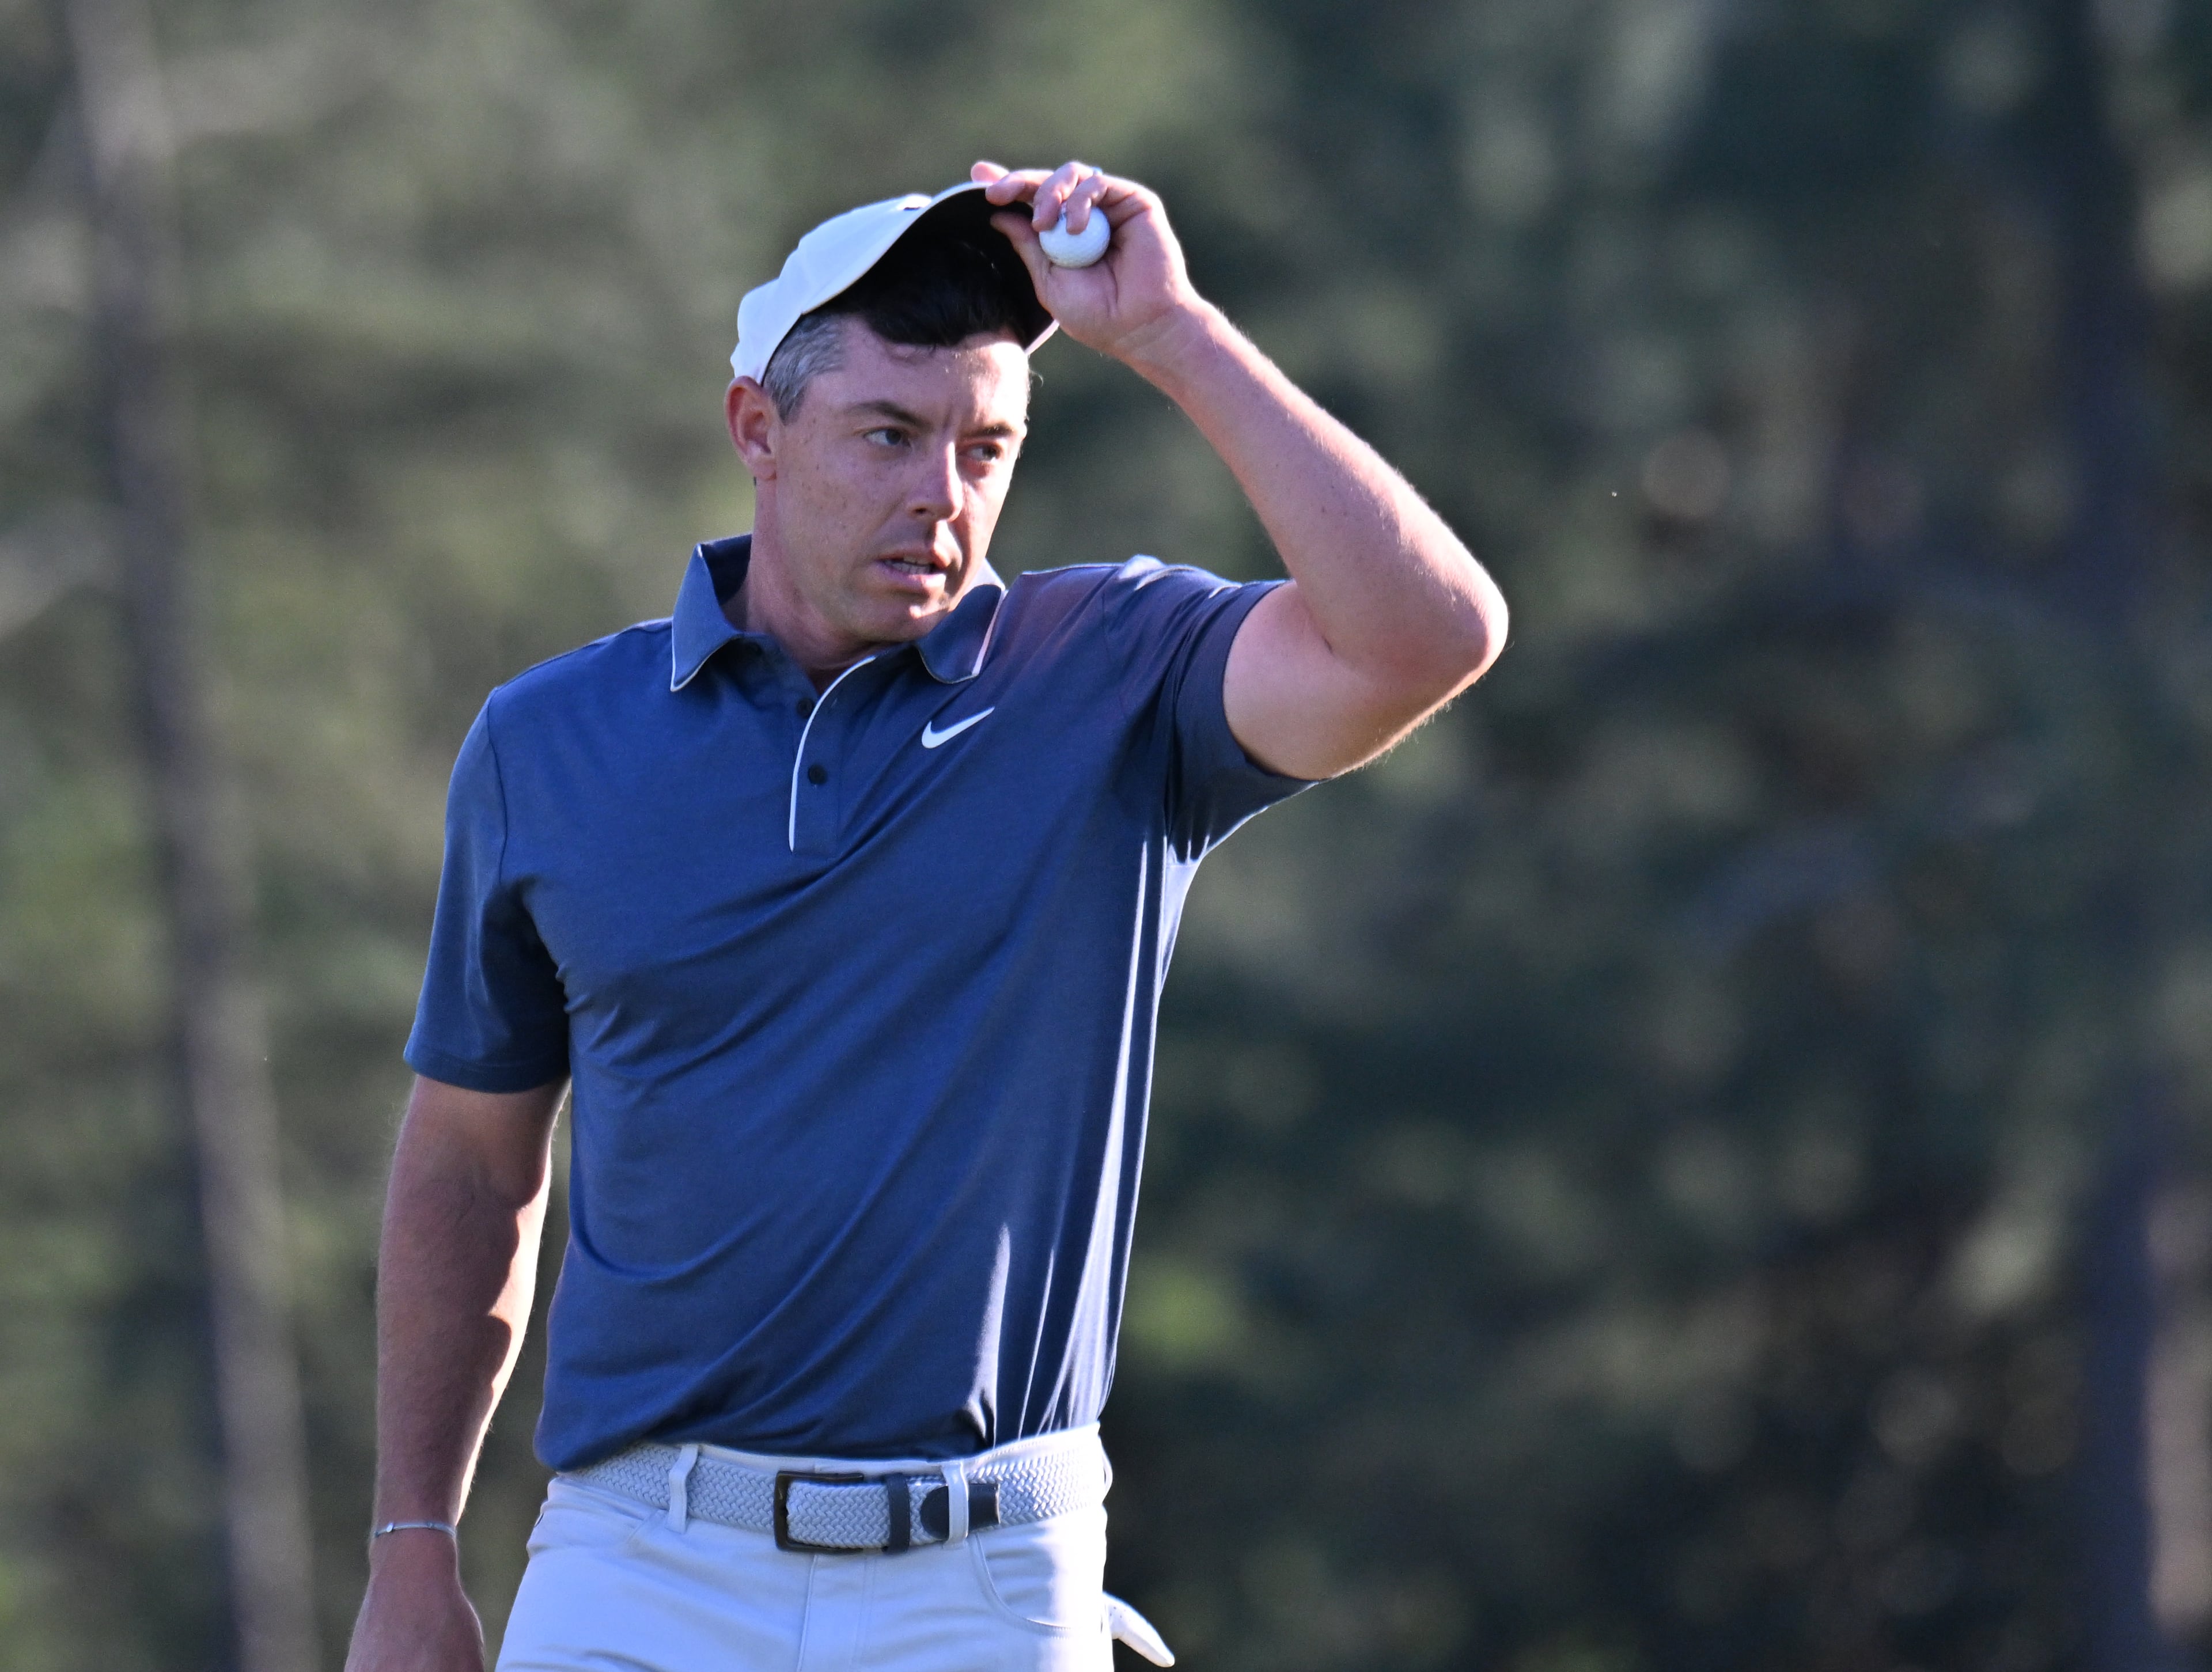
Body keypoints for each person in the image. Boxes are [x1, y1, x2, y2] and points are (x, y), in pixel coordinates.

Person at [343, 159, 1508, 1672]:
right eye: (889, 436)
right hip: (637, 1566)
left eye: (986, 448)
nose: (940, 498)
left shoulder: (1116, 676)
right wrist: (411, 1547)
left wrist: (1173, 334)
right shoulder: (548, 742)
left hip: (987, 1582)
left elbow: (1429, 637)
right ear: (757, 429)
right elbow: (466, 1163)